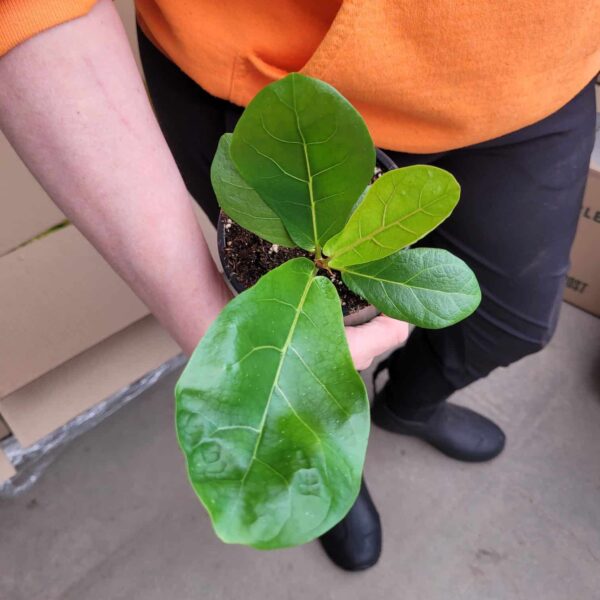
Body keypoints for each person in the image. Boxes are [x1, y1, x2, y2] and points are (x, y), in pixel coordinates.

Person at [0, 0, 597, 571]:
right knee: (313, 358)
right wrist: (220, 336)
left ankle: (407, 408)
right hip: (271, 78)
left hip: (541, 80)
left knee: (512, 322)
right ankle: (331, 463)